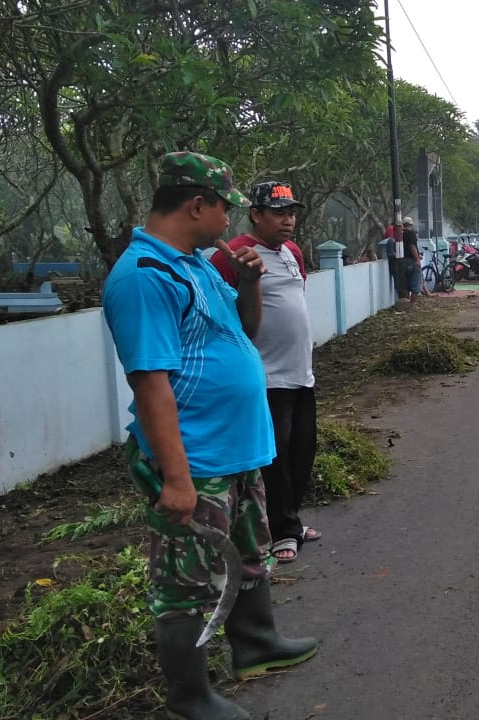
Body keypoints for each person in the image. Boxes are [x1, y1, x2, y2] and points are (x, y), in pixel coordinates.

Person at [101, 152, 316, 720]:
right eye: (225, 208)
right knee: (186, 581)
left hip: (237, 448)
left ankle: (256, 643)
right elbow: (151, 385)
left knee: (249, 552)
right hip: (195, 458)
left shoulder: (195, 262)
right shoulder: (145, 277)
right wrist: (175, 479)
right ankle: (189, 699)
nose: (230, 221)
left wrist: (247, 283)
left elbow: (243, 333)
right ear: (197, 205)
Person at [211, 181, 321, 565]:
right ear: (256, 214)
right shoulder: (233, 257)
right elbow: (222, 316)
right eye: (279, 213)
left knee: (302, 453)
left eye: (291, 212)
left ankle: (290, 520)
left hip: (300, 373)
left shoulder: (292, 252)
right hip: (265, 378)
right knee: (274, 461)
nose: (288, 220)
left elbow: (295, 299)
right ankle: (280, 532)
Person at [401, 216, 423, 302]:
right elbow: (412, 246)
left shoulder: (400, 234)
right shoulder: (411, 234)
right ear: (411, 224)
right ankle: (411, 305)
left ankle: (405, 304)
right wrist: (417, 259)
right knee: (416, 286)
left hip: (403, 261)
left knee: (405, 286)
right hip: (412, 261)